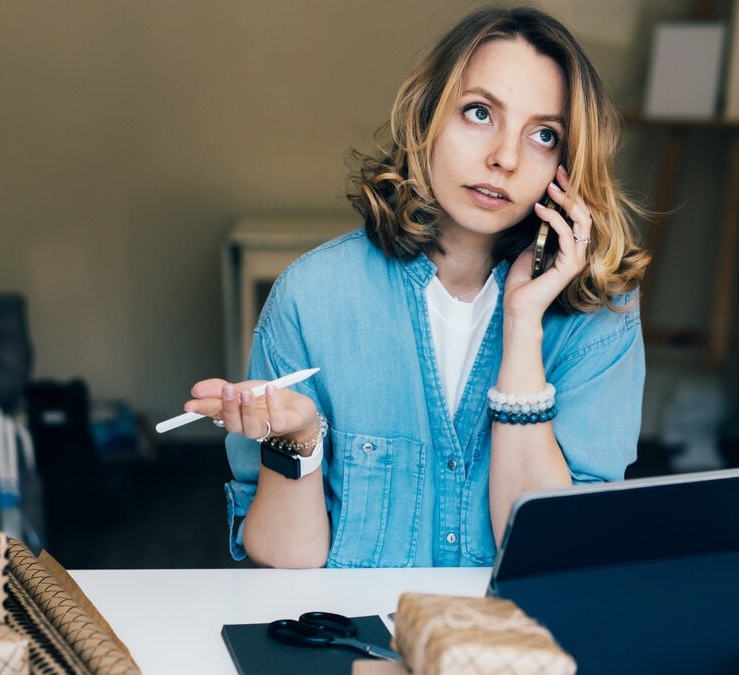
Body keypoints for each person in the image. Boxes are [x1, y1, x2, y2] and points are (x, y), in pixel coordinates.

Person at [184, 5, 650, 568]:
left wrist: (523, 327)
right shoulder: (313, 298)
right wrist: (297, 444)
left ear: (568, 166)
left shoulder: (602, 317)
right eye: (479, 112)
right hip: (360, 651)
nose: (503, 157)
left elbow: (557, 553)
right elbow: (286, 565)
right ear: (427, 117)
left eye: (543, 135)